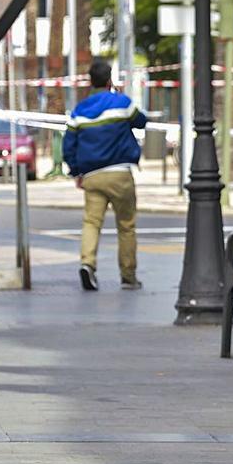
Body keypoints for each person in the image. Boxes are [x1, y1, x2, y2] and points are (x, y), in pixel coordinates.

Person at [63, 60, 147, 292]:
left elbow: (68, 144)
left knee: (91, 223)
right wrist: (121, 97)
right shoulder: (121, 103)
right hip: (120, 174)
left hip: (92, 176)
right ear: (110, 80)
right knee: (126, 226)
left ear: (91, 81)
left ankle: (87, 264)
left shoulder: (80, 110)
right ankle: (128, 276)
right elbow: (141, 121)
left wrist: (76, 171)